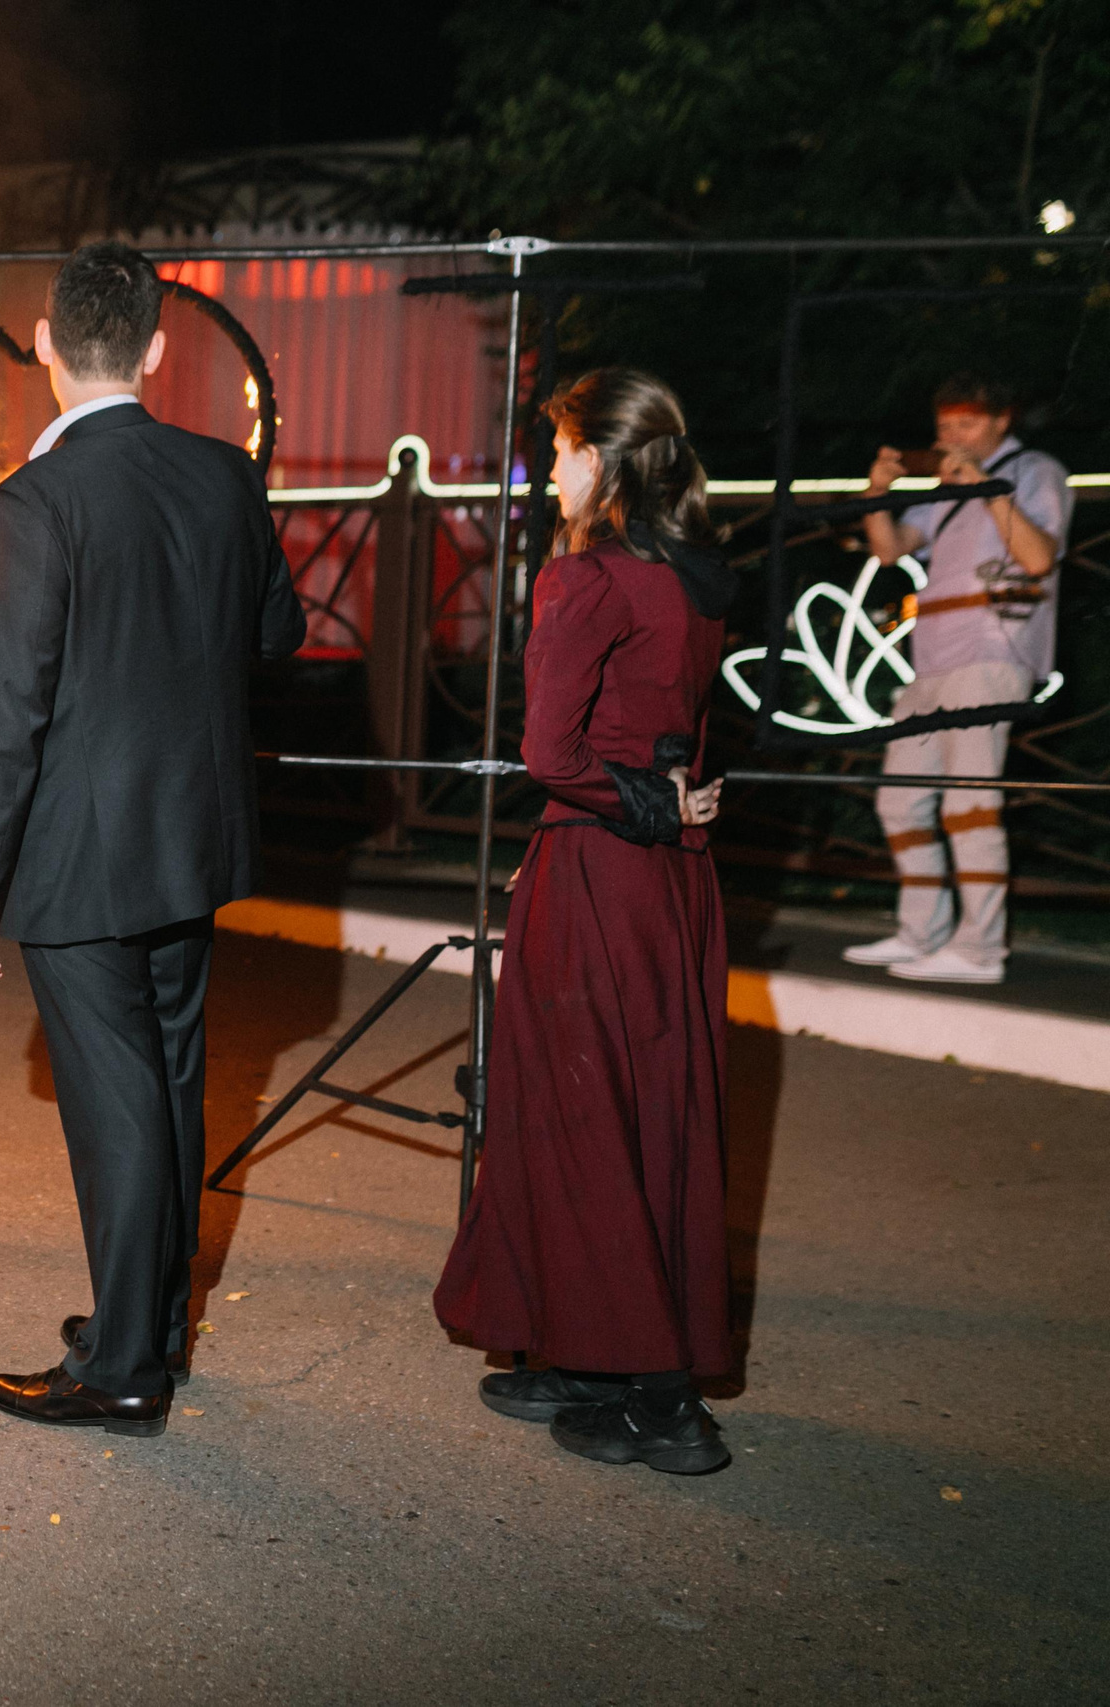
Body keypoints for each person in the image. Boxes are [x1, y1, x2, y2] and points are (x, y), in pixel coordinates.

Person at [0, 241, 306, 1437]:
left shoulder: (31, 503)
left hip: (80, 855)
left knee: (118, 1108)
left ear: (44, 343)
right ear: (156, 349)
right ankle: (147, 1326)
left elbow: (7, 716)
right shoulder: (223, 475)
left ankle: (126, 1373)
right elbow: (276, 632)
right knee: (173, 1080)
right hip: (191, 838)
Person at [433, 367, 736, 1476]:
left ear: (601, 462)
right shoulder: (697, 575)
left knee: (579, 1116)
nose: (545, 469)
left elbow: (550, 755)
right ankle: (584, 1349)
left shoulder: (587, 579)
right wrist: (673, 800)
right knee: (638, 1107)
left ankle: (659, 1398)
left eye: (558, 450)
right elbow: (681, 736)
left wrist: (646, 803)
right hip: (670, 883)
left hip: (599, 874)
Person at [841, 375, 1069, 985]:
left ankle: (980, 950)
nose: (952, 437)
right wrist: (878, 492)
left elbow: (1040, 557)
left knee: (970, 803)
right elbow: (892, 552)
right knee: (900, 801)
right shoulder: (944, 484)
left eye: (966, 424)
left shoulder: (1035, 469)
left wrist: (988, 487)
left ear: (1002, 421)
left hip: (993, 650)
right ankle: (922, 932)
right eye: (945, 426)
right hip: (933, 659)